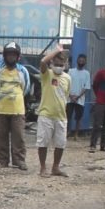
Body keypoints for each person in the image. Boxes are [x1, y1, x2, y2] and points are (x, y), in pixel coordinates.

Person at [0, 42, 31, 171]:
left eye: (13, 54)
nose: (11, 57)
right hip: (1, 108)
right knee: (0, 136)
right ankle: (2, 160)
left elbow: (26, 88)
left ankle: (19, 160)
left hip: (18, 109)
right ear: (4, 56)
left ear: (18, 56)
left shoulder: (22, 71)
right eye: (8, 54)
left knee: (19, 136)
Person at [37, 44, 71, 177]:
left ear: (65, 64)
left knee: (60, 144)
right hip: (46, 114)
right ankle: (43, 167)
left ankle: (55, 167)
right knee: (43, 142)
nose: (59, 66)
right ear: (52, 62)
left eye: (61, 64)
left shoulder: (68, 78)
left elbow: (66, 95)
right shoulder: (47, 74)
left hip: (61, 116)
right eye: (56, 63)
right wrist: (57, 50)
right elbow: (42, 62)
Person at [67, 54, 91, 141]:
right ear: (77, 61)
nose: (81, 62)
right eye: (80, 60)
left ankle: (76, 135)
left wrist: (78, 96)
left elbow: (86, 87)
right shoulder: (70, 71)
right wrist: (70, 95)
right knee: (67, 116)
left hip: (80, 99)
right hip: (69, 98)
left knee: (78, 118)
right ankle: (67, 132)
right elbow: (67, 84)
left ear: (85, 62)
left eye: (83, 60)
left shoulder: (86, 73)